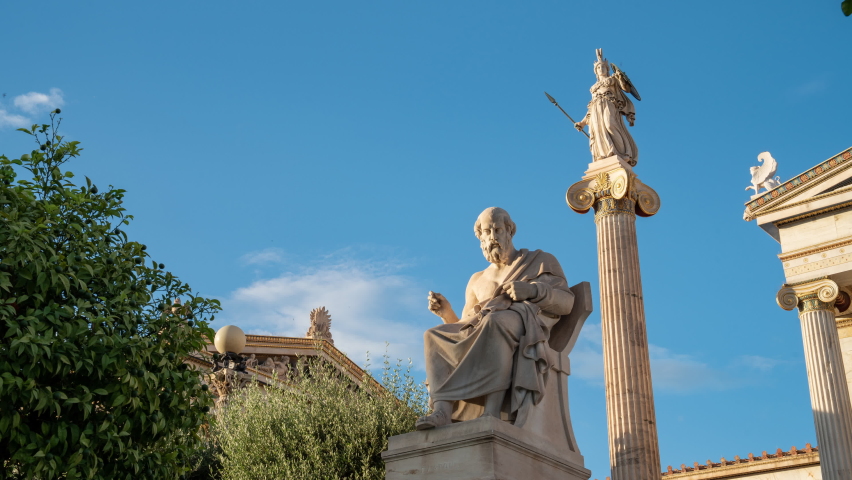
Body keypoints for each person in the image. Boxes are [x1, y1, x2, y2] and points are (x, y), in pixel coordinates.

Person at [416, 207, 575, 430]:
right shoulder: (477, 280)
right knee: (432, 335)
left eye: (497, 229)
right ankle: (442, 411)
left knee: (493, 322)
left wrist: (532, 291)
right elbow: (465, 327)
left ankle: (492, 411)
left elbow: (566, 302)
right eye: (486, 232)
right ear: (480, 238)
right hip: (484, 326)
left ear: (510, 231)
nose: (492, 237)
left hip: (522, 326)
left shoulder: (539, 261)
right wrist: (446, 313)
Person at [574, 49, 639, 166]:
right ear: (596, 71)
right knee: (599, 130)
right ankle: (605, 153)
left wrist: (620, 78)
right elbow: (590, 106)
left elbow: (626, 89)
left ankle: (623, 154)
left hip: (609, 104)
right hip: (596, 108)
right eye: (599, 68)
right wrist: (582, 122)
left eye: (603, 67)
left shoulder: (612, 79)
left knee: (610, 125)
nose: (601, 69)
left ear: (607, 69)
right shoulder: (593, 87)